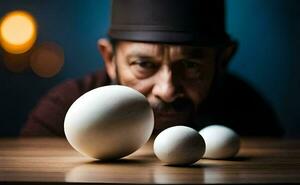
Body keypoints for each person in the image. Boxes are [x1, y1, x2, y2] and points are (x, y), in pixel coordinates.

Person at [20, 0, 284, 137]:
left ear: (222, 60)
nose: (167, 90)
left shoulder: (250, 117)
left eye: (191, 65)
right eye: (144, 65)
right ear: (109, 58)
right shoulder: (59, 119)